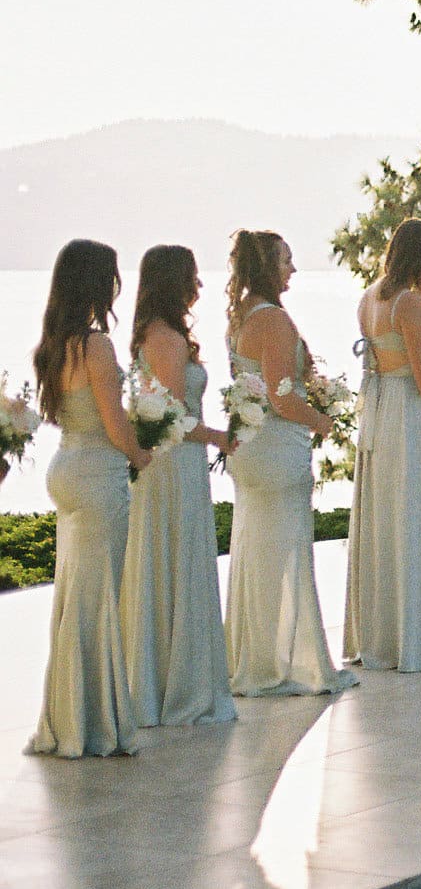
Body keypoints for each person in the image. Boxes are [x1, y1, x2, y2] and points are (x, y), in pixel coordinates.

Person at [28, 240, 152, 757]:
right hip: (98, 473)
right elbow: (113, 420)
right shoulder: (96, 346)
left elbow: (61, 415)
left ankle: (69, 714)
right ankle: (93, 722)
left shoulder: (54, 344)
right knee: (99, 597)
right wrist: (142, 456)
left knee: (74, 596)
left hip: (65, 467)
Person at [224, 229, 358, 697]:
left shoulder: (240, 316)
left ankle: (256, 657)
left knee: (259, 553)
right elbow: (282, 397)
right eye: (286, 260)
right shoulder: (273, 321)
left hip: (251, 448)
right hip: (277, 449)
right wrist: (324, 422)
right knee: (283, 553)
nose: (293, 269)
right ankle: (276, 666)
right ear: (266, 266)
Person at [122, 245, 237, 727]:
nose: (199, 285)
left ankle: (170, 675)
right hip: (173, 464)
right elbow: (171, 416)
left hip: (179, 464)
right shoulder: (164, 337)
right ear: (173, 281)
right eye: (192, 276)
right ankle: (178, 684)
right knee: (178, 558)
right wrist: (218, 437)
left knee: (176, 558)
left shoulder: (161, 333)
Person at [345, 218, 421, 672]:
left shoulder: (370, 297)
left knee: (385, 516)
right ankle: (413, 635)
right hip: (410, 413)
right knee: (414, 515)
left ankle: (382, 633)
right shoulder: (410, 303)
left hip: (380, 409)